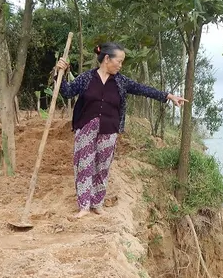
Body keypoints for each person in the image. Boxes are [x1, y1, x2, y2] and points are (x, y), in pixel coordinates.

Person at [54, 42, 187, 219]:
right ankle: (84, 206)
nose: (121, 65)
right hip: (86, 128)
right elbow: (68, 91)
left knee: (102, 168)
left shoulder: (121, 82)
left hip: (109, 130)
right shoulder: (86, 78)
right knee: (84, 166)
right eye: (120, 61)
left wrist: (168, 96)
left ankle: (97, 203)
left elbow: (142, 89)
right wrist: (59, 73)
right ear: (107, 59)